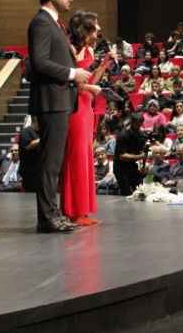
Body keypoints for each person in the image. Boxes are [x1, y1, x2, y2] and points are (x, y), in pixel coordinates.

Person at [27, 0, 93, 233]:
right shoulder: (41, 23)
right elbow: (39, 62)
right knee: (50, 162)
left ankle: (52, 214)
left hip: (60, 101)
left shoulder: (53, 24)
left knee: (53, 162)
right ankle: (47, 218)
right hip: (51, 102)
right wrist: (71, 73)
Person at [59, 11, 108, 225]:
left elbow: (90, 78)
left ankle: (82, 210)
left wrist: (104, 65)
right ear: (85, 30)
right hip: (76, 106)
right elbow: (72, 83)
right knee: (76, 156)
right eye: (95, 27)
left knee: (85, 155)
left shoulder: (89, 49)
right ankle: (73, 210)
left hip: (86, 105)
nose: (98, 30)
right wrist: (90, 87)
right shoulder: (69, 49)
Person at [114, 113, 147, 196]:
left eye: (140, 123)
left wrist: (143, 165)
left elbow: (141, 151)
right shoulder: (123, 135)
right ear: (132, 122)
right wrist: (139, 156)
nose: (139, 125)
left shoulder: (141, 135)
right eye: (137, 123)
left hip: (132, 165)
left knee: (140, 191)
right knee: (127, 193)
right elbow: (122, 156)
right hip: (121, 167)